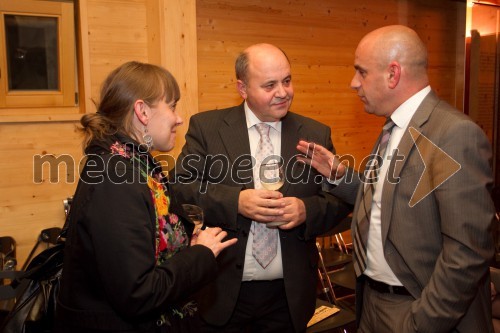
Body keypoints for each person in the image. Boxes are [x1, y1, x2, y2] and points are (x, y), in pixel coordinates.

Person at [296, 25, 496, 332]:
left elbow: (467, 252)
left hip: (417, 310)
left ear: (393, 74)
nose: (353, 83)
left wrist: (421, 322)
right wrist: (340, 176)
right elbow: (389, 202)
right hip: (373, 304)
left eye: (361, 72)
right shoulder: (394, 127)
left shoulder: (455, 134)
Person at [171, 43, 352, 332]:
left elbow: (340, 201)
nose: (283, 92)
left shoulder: (315, 133)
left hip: (289, 297)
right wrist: (236, 202)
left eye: (287, 81)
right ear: (242, 89)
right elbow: (180, 189)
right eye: (270, 85)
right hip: (222, 293)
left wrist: (306, 210)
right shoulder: (207, 128)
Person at [55, 61, 237, 333]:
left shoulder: (134, 164)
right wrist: (201, 254)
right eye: (172, 106)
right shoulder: (117, 178)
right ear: (142, 111)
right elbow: (138, 294)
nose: (179, 118)